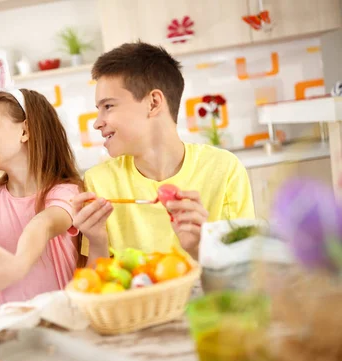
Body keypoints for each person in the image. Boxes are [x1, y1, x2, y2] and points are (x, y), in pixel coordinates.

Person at [71, 42, 255, 263]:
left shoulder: (224, 169)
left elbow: (244, 274)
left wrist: (198, 248)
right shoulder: (99, 183)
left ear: (153, 103)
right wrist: (98, 242)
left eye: (108, 106)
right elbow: (97, 288)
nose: (97, 123)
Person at [0, 56, 83, 305]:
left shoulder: (66, 193)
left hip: (62, 325)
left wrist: (16, 266)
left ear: (25, 131)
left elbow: (44, 224)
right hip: (8, 331)